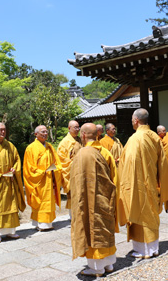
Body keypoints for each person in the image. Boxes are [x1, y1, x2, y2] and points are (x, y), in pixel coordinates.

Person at [70, 123, 119, 277]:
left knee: (91, 231)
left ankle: (96, 268)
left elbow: (75, 180)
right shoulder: (105, 152)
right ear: (97, 135)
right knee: (105, 229)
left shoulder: (82, 154)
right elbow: (115, 178)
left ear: (83, 135)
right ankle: (109, 263)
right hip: (104, 200)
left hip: (88, 201)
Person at [118, 109, 168, 259]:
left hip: (137, 185)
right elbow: (164, 164)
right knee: (151, 214)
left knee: (139, 214)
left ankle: (143, 250)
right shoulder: (155, 136)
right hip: (152, 184)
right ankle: (154, 248)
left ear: (135, 121)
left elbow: (130, 165)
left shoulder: (135, 139)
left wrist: (125, 186)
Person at [23, 125, 62, 231]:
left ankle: (47, 223)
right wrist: (42, 172)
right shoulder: (31, 148)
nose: (45, 134)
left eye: (46, 132)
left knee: (49, 201)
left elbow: (57, 162)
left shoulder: (49, 147)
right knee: (39, 201)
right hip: (39, 180)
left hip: (50, 179)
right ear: (36, 134)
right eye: (42, 132)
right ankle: (39, 224)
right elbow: (29, 167)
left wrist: (55, 170)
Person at [57, 120, 82, 217]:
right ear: (69, 128)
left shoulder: (80, 140)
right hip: (72, 172)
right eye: (75, 127)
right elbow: (61, 159)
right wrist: (75, 163)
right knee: (73, 194)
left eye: (78, 127)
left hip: (81, 171)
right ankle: (73, 216)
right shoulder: (64, 142)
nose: (77, 129)